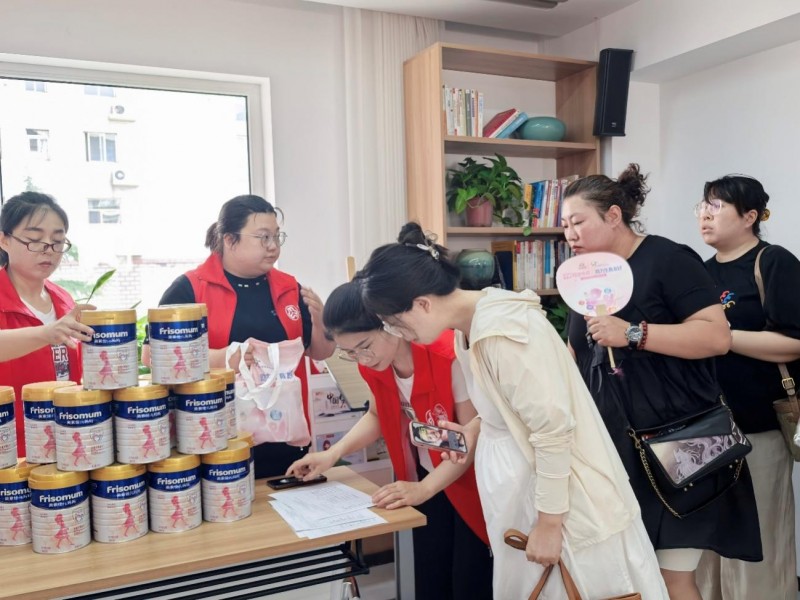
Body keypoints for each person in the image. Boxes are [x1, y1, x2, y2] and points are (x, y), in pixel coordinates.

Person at [355, 222, 668, 600]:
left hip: (559, 505)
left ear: (422, 303)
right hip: (521, 493)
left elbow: (553, 430)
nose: (397, 333)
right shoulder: (470, 327)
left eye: (395, 323)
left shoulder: (505, 332)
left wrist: (550, 525)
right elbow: (506, 409)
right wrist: (474, 429)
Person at [560, 164, 762, 600]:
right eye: (565, 226)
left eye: (578, 222)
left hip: (684, 445)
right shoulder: (584, 276)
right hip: (617, 450)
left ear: (614, 216)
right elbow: (575, 357)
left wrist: (634, 333)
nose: (570, 235)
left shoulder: (668, 259)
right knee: (635, 576)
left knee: (672, 579)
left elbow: (717, 336)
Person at [287, 280, 493, 600]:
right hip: (426, 476)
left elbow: (468, 441)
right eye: (350, 353)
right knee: (431, 576)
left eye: (364, 346)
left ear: (389, 324)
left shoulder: (446, 354)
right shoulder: (375, 364)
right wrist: (331, 454)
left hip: (469, 482)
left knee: (469, 579)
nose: (362, 359)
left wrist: (424, 488)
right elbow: (377, 416)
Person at [144, 194, 335, 477]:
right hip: (215, 444)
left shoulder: (289, 287)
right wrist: (223, 359)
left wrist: (320, 323)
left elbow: (319, 352)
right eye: (263, 237)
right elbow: (152, 357)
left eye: (277, 237)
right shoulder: (190, 288)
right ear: (230, 240)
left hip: (284, 437)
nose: (273, 246)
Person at [693, 174, 799, 600]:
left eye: (716, 207)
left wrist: (722, 337)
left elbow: (794, 342)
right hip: (705, 429)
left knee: (760, 542)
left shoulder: (773, 262)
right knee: (707, 545)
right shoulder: (699, 273)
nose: (705, 215)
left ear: (750, 216)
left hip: (758, 427)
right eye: (702, 206)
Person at [0, 191, 94, 456]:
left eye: (57, 241)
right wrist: (46, 333)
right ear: (4, 240)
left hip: (64, 440)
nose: (48, 250)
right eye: (34, 240)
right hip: (11, 449)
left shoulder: (63, 298)